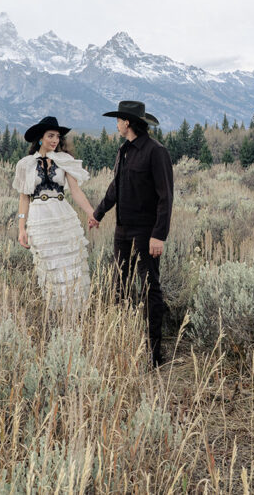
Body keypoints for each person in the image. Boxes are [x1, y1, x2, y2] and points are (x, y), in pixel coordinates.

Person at [89, 100, 173, 368]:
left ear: (127, 122)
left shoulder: (155, 152)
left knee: (150, 289)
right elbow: (117, 187)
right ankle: (124, 341)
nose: (115, 124)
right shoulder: (124, 150)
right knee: (119, 285)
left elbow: (165, 197)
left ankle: (154, 352)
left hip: (146, 233)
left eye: (118, 120)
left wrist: (158, 235)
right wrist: (98, 212)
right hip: (122, 231)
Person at [13, 116, 94, 314]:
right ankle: (57, 313)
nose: (55, 140)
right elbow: (24, 199)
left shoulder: (65, 160)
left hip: (63, 216)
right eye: (50, 136)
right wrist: (21, 228)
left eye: (57, 136)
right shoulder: (25, 164)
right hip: (39, 219)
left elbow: (76, 192)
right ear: (40, 138)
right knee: (50, 267)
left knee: (71, 264)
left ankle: (76, 314)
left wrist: (93, 213)